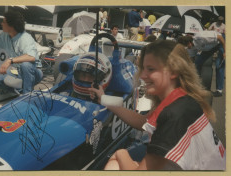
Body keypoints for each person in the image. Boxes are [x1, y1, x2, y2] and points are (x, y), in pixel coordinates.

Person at [89, 40, 225, 170]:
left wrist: (119, 153)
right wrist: (104, 99)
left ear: (174, 71)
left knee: (114, 165)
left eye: (150, 69)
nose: (142, 75)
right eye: (143, 68)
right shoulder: (182, 100)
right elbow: (143, 122)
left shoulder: (174, 115)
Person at [0, 10, 43, 94]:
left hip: (33, 72)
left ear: (12, 25)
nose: (2, 24)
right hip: (16, 71)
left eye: (4, 22)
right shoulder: (5, 36)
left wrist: (10, 60)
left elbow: (31, 57)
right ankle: (21, 92)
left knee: (25, 65)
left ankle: (27, 95)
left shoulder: (25, 38)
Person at [178, 31, 226, 97]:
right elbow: (192, 60)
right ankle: (196, 86)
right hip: (209, 48)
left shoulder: (201, 37)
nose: (186, 48)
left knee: (218, 65)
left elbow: (220, 37)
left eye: (186, 46)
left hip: (221, 42)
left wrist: (225, 52)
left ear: (189, 43)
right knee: (197, 63)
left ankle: (219, 90)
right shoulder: (191, 46)